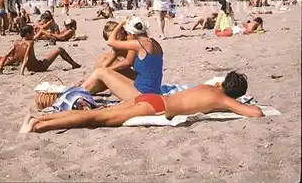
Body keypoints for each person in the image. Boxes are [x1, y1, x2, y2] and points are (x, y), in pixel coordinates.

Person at [19, 71, 263, 133]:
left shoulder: (208, 87)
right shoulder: (224, 99)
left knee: (101, 114)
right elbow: (255, 114)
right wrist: (242, 103)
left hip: (151, 98)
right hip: (157, 107)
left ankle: (38, 119)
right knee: (94, 118)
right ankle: (39, 126)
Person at [81, 16, 163, 98]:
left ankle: (79, 92)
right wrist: (94, 76)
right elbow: (113, 58)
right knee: (104, 63)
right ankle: (85, 89)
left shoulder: (136, 44)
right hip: (152, 88)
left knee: (102, 71)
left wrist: (120, 24)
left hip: (143, 91)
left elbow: (126, 60)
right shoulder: (153, 42)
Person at [0, 25, 81, 75]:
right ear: (28, 34)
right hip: (39, 67)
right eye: (33, 32)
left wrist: (1, 67)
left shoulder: (17, 43)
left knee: (49, 54)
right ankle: (74, 64)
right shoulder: (30, 43)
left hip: (30, 67)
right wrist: (21, 72)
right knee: (59, 49)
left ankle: (74, 64)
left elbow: (6, 55)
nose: (34, 34)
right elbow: (26, 57)